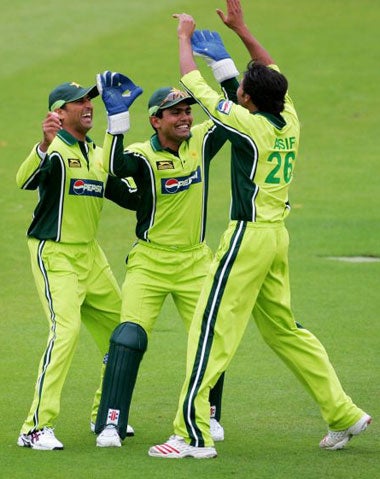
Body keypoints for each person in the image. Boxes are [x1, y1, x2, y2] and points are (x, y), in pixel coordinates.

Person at [148, 0, 371, 459]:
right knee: (285, 331)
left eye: (243, 87)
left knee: (209, 330)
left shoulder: (249, 126)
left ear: (247, 98)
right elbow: (271, 69)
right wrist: (243, 30)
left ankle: (192, 434)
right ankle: (344, 413)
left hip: (247, 238)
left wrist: (184, 37)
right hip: (276, 238)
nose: (240, 89)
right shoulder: (288, 117)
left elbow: (193, 83)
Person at [92, 68, 240, 447]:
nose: (186, 116)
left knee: (209, 338)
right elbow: (113, 167)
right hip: (150, 262)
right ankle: (111, 423)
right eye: (175, 112)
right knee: (128, 337)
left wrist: (224, 71)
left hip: (195, 262)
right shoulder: (142, 155)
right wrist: (117, 121)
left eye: (188, 110)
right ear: (156, 120)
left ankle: (209, 414)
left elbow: (235, 110)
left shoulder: (201, 141)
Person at [16, 79, 141, 450]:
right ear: (58, 112)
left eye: (90, 100)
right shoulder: (54, 150)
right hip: (55, 254)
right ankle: (35, 427)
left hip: (91, 255)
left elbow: (129, 197)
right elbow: (24, 179)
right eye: (77, 102)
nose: (88, 106)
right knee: (65, 332)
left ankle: (105, 412)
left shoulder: (98, 153)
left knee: (122, 333)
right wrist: (42, 143)